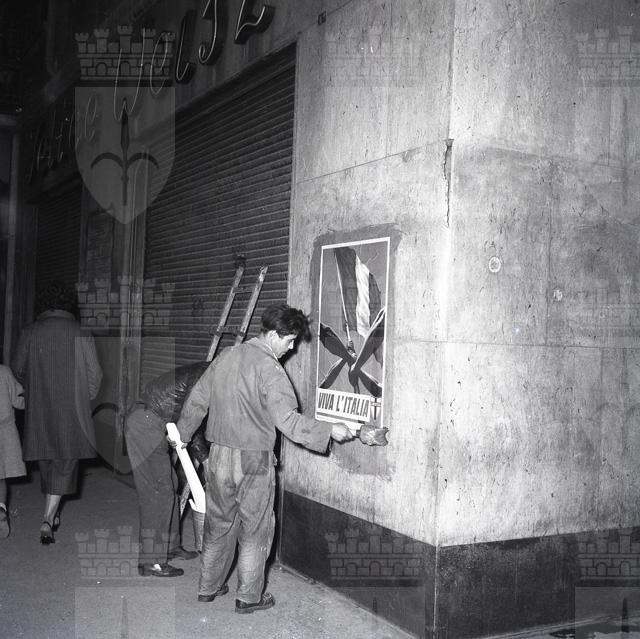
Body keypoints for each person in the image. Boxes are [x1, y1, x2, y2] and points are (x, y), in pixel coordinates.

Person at [175, 303, 354, 612]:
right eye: (290, 341)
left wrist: (182, 435)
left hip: (219, 457)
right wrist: (328, 430)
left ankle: (208, 587)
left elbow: (197, 400)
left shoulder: (226, 356)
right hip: (253, 461)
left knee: (218, 524)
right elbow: (288, 421)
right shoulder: (271, 369)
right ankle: (248, 597)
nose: (291, 348)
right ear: (273, 335)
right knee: (256, 530)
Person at [11, 282, 102, 545]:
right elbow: (95, 373)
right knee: (66, 461)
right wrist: (86, 396)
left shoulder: (30, 331)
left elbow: (18, 368)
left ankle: (51, 512)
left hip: (39, 406)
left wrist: (34, 386)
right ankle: (48, 518)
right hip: (72, 408)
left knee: (47, 459)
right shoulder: (80, 331)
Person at [124, 361, 210, 578]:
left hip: (152, 420)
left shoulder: (209, 372)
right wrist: (206, 460)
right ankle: (151, 561)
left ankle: (170, 546)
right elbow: (191, 420)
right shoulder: (206, 376)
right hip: (145, 423)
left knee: (171, 483)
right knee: (158, 492)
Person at [0, 364, 26, 538]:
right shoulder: (4, 371)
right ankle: (1, 509)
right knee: (0, 476)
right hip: (4, 431)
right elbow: (18, 401)